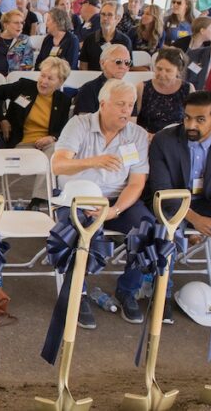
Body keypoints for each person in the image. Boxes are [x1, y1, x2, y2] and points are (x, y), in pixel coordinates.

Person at [52, 79, 152, 328]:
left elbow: (137, 183)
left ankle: (128, 289)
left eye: (130, 105)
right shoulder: (79, 125)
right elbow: (58, 164)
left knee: (148, 229)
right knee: (77, 232)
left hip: (118, 200)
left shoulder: (136, 134)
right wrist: (93, 161)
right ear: (103, 103)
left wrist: (115, 210)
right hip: (78, 196)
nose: (126, 111)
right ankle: (78, 293)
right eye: (120, 104)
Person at [148, 91, 211, 245]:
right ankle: (162, 268)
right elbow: (163, 190)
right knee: (166, 234)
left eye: (200, 119)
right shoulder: (163, 141)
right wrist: (195, 219)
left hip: (210, 203)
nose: (191, 125)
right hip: (171, 204)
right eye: (187, 117)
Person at [0, 57, 72, 209]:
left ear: (60, 82)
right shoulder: (24, 87)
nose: (43, 81)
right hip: (22, 143)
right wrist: (1, 119)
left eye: (50, 78)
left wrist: (52, 137)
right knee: (47, 157)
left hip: (47, 145)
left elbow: (63, 129)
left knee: (55, 152)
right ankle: (0, 202)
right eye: (42, 75)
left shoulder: (63, 100)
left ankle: (37, 200)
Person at [136, 47, 195, 135]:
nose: (162, 74)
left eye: (168, 70)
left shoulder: (188, 88)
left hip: (177, 138)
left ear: (178, 72)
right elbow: (132, 119)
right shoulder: (142, 87)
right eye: (159, 69)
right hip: (147, 137)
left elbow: (192, 120)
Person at [73, 44, 132, 115]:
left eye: (127, 62)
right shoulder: (88, 89)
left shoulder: (129, 91)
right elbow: (86, 123)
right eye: (118, 61)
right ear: (103, 63)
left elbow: (131, 123)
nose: (123, 66)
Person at [79, 1, 132, 71]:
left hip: (116, 80)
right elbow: (83, 66)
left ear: (118, 18)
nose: (105, 18)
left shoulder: (124, 41)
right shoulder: (90, 39)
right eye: (103, 14)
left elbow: (127, 67)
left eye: (109, 15)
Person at [0, 9, 35, 74]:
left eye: (21, 23)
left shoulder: (24, 40)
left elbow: (28, 65)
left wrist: (12, 77)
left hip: (13, 79)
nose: (20, 26)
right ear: (6, 25)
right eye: (16, 23)